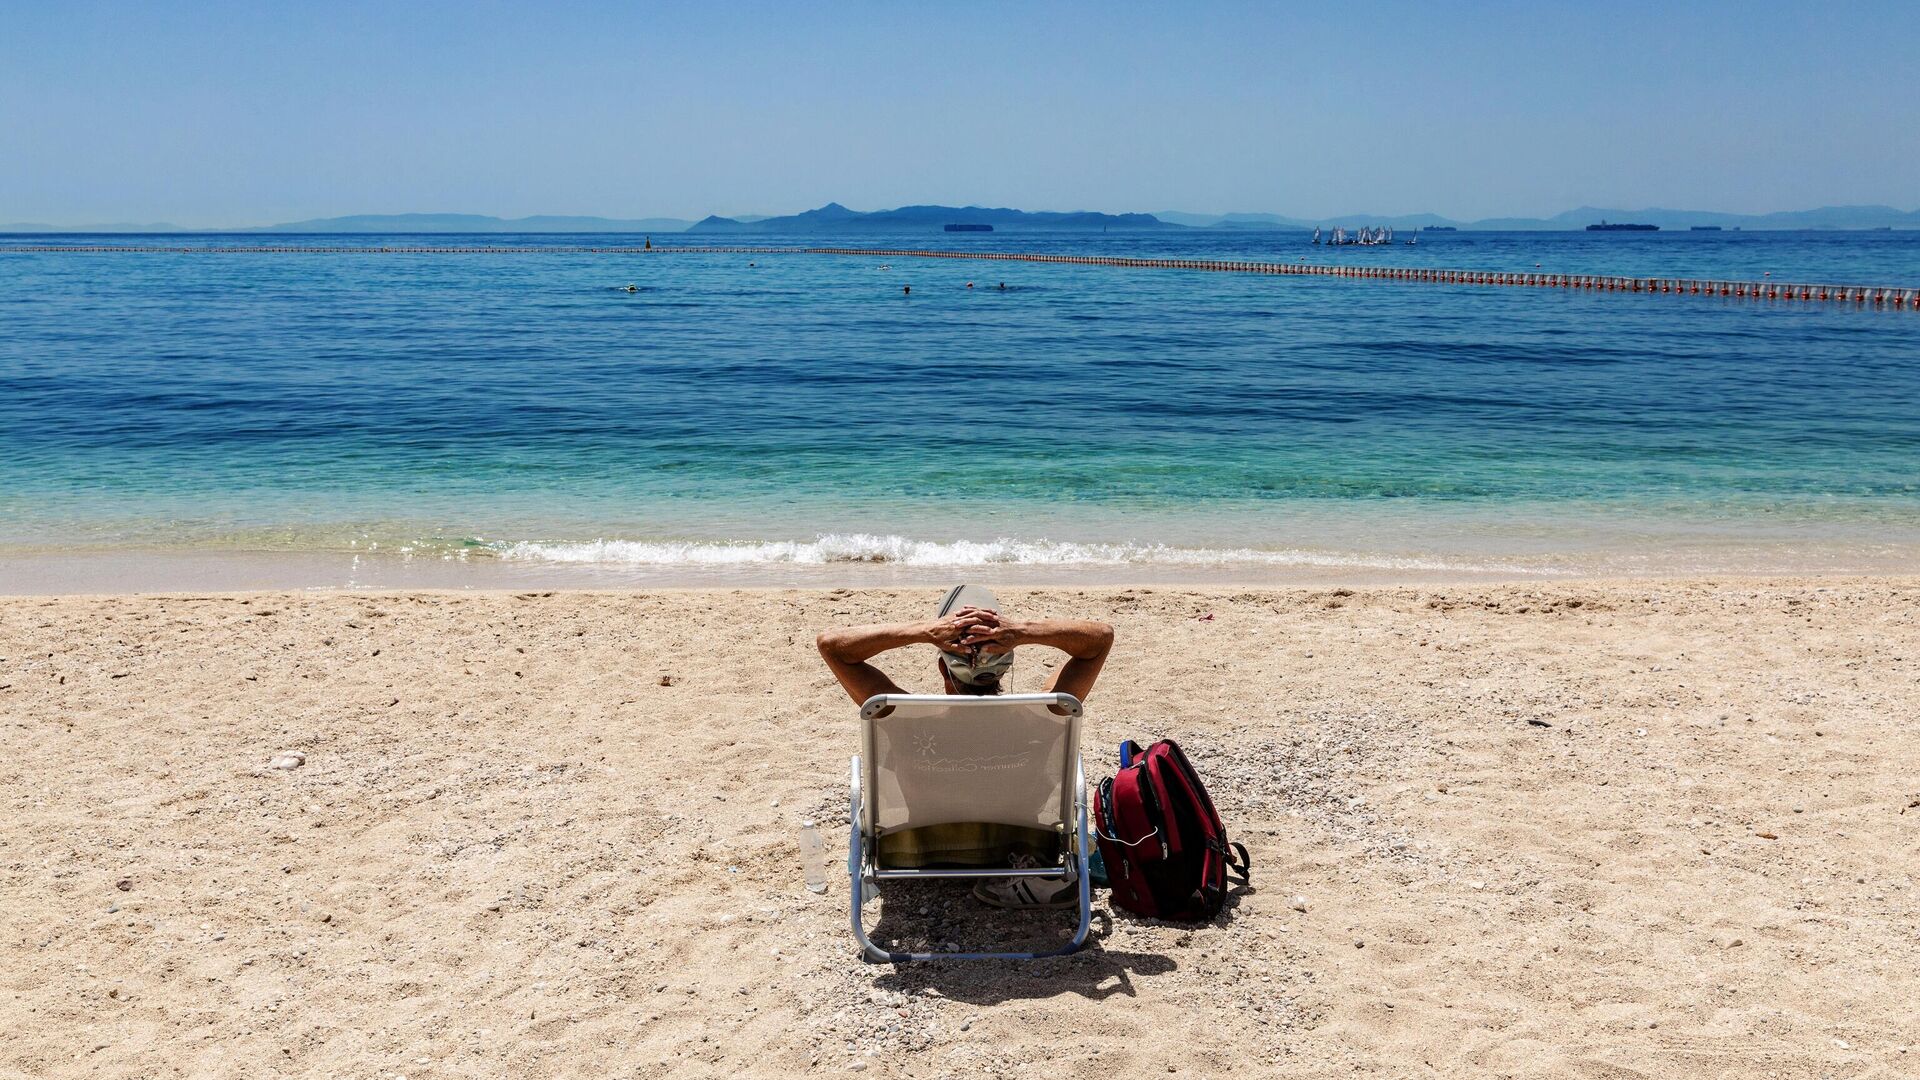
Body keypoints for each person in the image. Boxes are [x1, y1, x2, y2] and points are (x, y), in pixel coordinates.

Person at [817, 586, 1114, 909]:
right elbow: (1099, 639)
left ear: (942, 668)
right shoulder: (1042, 715)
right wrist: (1020, 631)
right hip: (1017, 852)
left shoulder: (903, 718)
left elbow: (831, 645)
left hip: (915, 854)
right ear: (1005, 669)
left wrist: (924, 632)